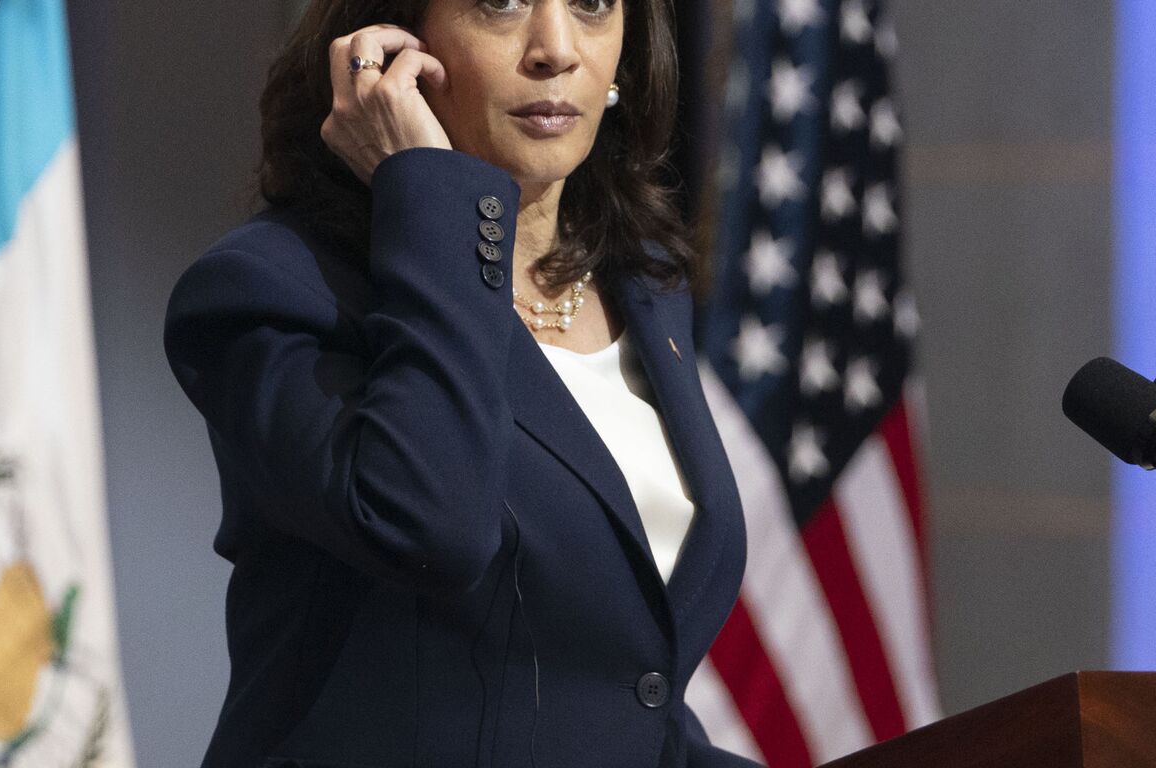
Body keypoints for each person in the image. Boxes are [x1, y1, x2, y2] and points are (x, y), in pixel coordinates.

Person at [163, 0, 754, 765]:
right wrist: (430, 188)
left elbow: (624, 689)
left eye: (593, 6)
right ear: (395, 38)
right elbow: (432, 523)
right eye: (501, 4)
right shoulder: (269, 294)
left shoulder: (642, 281)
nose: (555, 49)